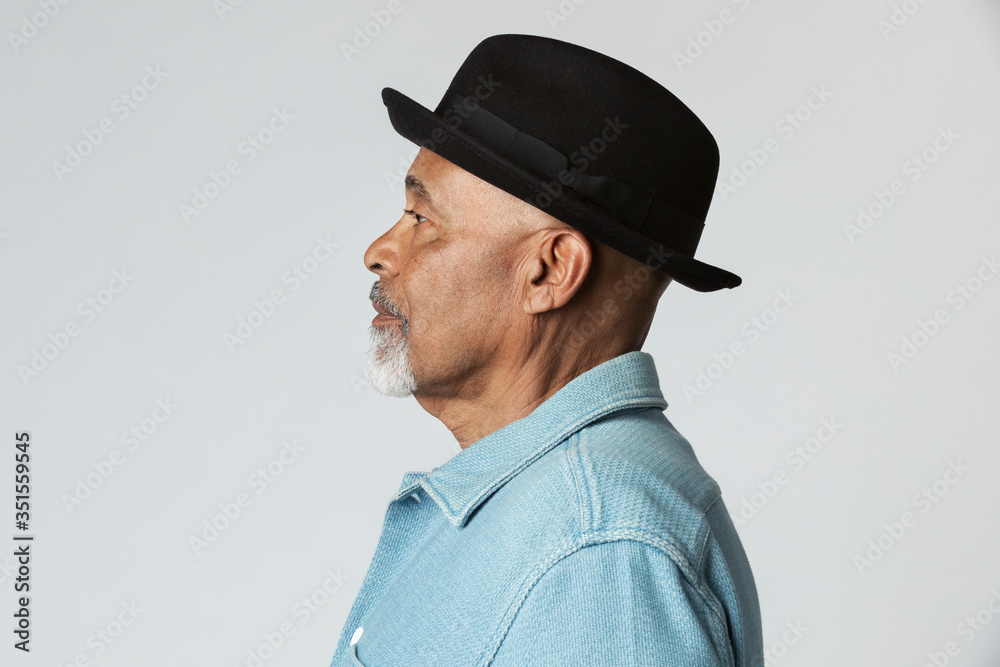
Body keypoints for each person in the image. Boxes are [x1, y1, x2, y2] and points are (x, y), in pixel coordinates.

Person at [330, 33, 763, 666]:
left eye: (422, 219)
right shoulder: (564, 516)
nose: (379, 251)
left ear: (550, 270)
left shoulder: (599, 550)